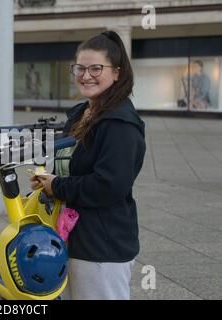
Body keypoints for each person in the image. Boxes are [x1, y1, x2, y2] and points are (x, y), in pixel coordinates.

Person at [30, 31, 146, 300]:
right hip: (74, 238)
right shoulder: (83, 112)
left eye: (96, 68)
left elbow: (109, 185)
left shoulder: (120, 123)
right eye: (80, 68)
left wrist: (57, 186)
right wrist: (49, 181)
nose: (86, 75)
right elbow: (74, 166)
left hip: (102, 246)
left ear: (116, 73)